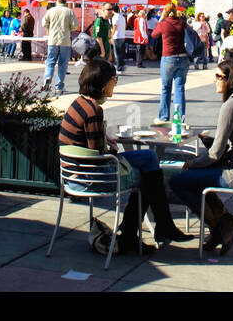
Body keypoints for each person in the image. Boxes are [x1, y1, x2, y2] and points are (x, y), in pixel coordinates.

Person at [58, 58, 192, 253]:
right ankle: (145, 230)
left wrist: (106, 140)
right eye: (114, 79)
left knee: (150, 160)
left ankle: (154, 227)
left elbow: (89, 144)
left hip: (73, 174)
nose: (115, 83)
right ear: (103, 83)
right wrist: (110, 146)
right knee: (148, 177)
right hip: (92, 176)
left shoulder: (79, 104)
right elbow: (100, 153)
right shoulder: (93, 110)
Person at [168, 52, 233, 255]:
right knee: (200, 179)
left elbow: (215, 153)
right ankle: (224, 222)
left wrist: (193, 163)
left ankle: (220, 226)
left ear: (229, 80)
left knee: (180, 181)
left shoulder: (232, 105)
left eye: (218, 77)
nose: (215, 81)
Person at [152, 6, 190, 126]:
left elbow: (154, 34)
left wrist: (161, 18)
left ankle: (163, 117)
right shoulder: (182, 23)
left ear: (165, 12)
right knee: (180, 88)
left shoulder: (164, 24)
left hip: (169, 57)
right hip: (183, 57)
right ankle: (179, 119)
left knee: (166, 88)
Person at [42, 0, 78, 95]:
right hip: (65, 40)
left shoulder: (51, 11)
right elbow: (75, 25)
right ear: (65, 1)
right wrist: (68, 28)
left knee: (50, 61)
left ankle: (47, 77)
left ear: (56, 1)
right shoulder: (69, 12)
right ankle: (59, 86)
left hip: (52, 40)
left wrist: (50, 26)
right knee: (63, 63)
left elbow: (44, 23)